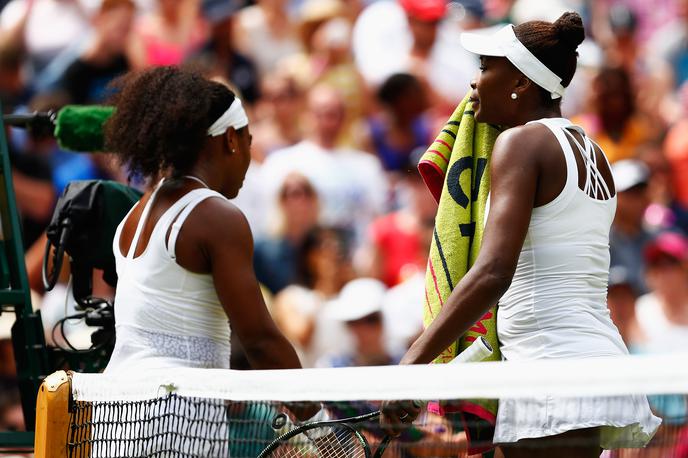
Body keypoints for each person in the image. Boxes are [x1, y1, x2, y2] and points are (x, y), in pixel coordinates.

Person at [380, 12, 660, 457]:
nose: (475, 82)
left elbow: (494, 272)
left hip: (550, 373)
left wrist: (413, 362)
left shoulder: (521, 144)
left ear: (522, 82)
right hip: (594, 364)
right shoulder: (594, 151)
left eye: (486, 68)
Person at [101, 66, 307, 374]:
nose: (250, 156)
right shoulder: (216, 216)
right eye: (248, 140)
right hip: (177, 414)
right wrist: (320, 420)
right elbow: (260, 341)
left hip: (122, 411)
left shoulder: (135, 214)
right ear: (230, 140)